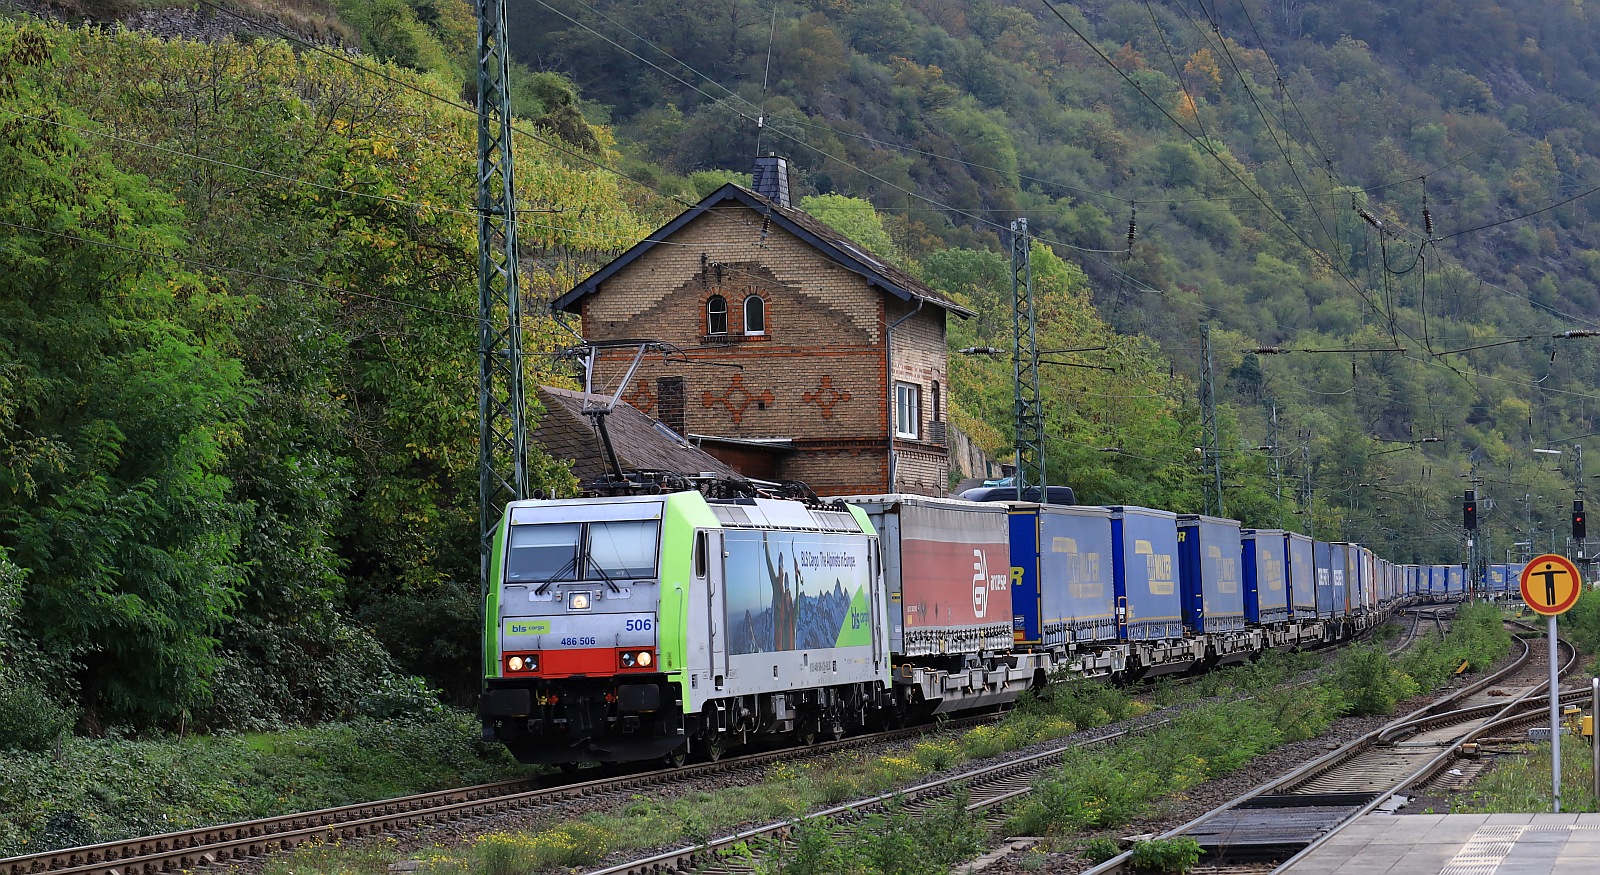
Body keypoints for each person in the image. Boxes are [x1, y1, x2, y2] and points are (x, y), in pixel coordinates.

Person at [763, 534, 797, 650]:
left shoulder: (790, 609)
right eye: (780, 568)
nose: (781, 572)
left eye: (782, 567)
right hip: (779, 644)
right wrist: (765, 542)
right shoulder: (776, 587)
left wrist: (797, 579)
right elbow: (768, 564)